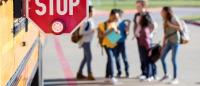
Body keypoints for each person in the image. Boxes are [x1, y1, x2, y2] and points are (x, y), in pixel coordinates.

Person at [133, 0, 156, 80]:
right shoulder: (136, 15)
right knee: (142, 56)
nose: (137, 8)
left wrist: (150, 34)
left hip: (147, 38)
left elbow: (153, 25)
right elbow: (135, 25)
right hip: (139, 38)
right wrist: (135, 33)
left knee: (149, 56)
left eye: (139, 6)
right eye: (136, 6)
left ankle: (152, 74)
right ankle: (144, 72)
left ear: (143, 6)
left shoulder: (147, 15)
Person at [97, 9, 120, 84]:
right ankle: (112, 76)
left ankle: (107, 76)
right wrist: (109, 32)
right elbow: (99, 35)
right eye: (115, 17)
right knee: (111, 59)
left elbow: (115, 36)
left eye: (117, 17)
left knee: (109, 60)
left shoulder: (114, 24)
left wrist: (117, 32)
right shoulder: (102, 24)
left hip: (113, 44)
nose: (116, 19)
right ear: (110, 15)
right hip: (106, 44)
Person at [160, 6, 181, 84]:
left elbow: (180, 28)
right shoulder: (165, 20)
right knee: (162, 57)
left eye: (162, 11)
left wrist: (171, 25)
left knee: (173, 60)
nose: (161, 13)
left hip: (175, 41)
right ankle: (166, 75)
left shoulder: (173, 18)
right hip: (169, 41)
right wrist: (163, 45)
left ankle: (175, 78)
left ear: (166, 12)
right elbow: (165, 34)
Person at [76, 5, 95, 80]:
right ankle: (89, 74)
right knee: (89, 57)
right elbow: (81, 32)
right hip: (85, 42)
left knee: (85, 58)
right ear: (89, 12)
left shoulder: (90, 20)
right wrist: (91, 31)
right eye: (93, 11)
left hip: (88, 41)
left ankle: (79, 73)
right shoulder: (86, 21)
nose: (94, 12)